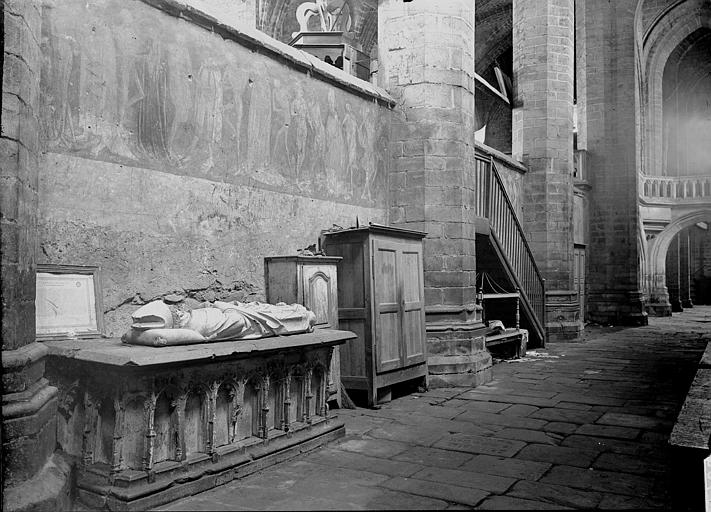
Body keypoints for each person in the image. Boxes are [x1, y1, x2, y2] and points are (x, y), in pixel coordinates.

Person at [122, 299, 317, 347]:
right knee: (281, 315)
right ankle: (303, 317)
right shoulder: (197, 327)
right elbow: (238, 322)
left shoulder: (192, 317)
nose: (180, 311)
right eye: (177, 314)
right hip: (251, 320)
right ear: (175, 324)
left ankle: (298, 313)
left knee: (265, 307)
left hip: (240, 311)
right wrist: (226, 307)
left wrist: (213, 305)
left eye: (179, 311)